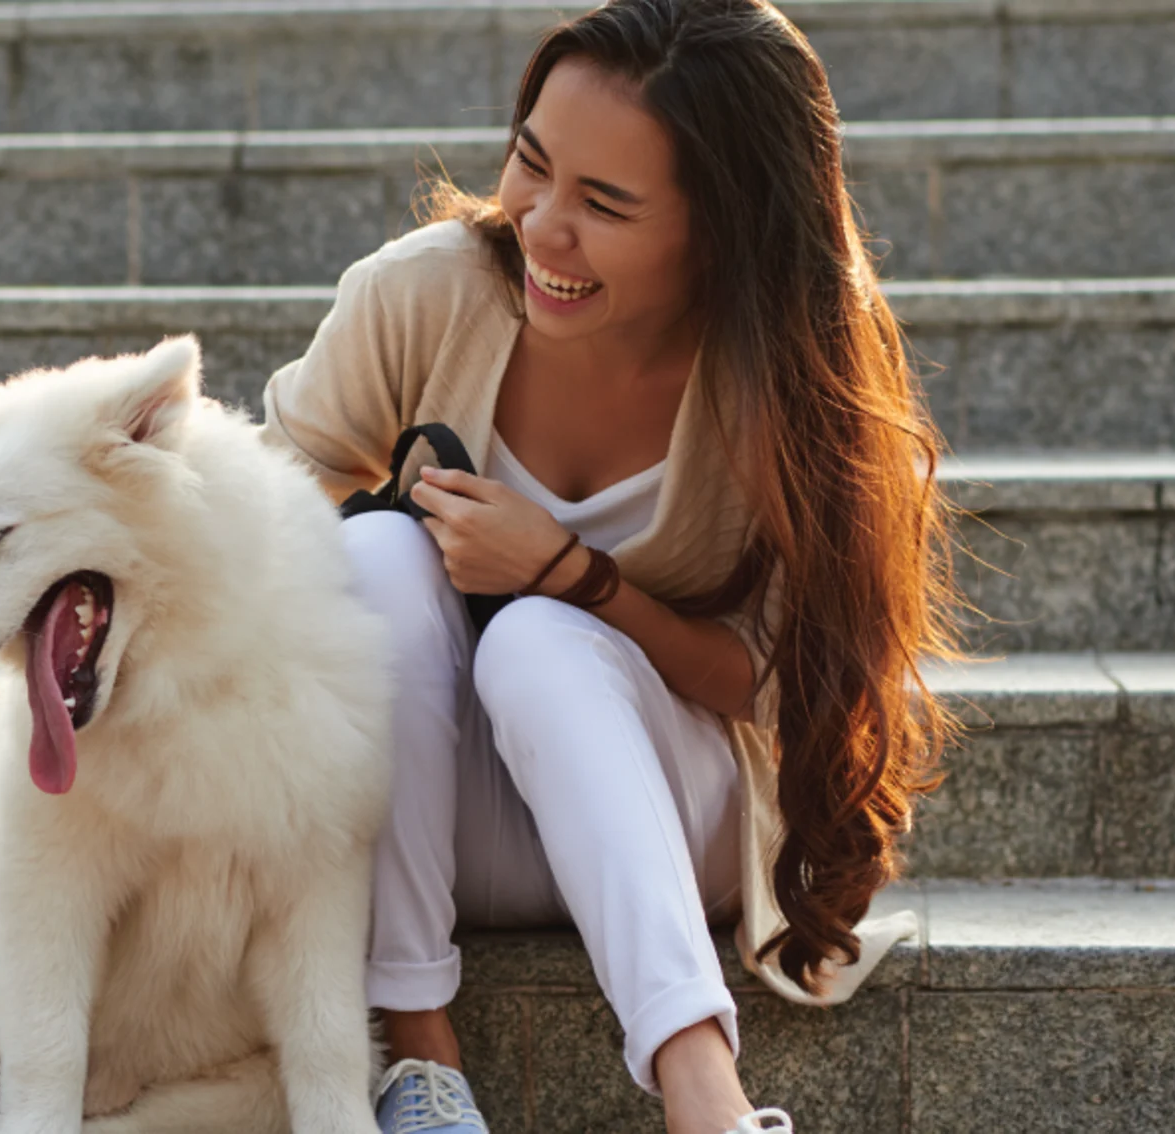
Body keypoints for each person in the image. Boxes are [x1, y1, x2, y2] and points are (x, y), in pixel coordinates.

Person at [259, 1, 959, 1132]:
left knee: (542, 637)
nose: (542, 225)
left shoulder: (792, 381)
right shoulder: (425, 295)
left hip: (670, 817)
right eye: (533, 163)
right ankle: (420, 1065)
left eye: (607, 204)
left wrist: (578, 579)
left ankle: (705, 1096)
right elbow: (254, 512)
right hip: (428, 823)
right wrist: (409, 523)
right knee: (375, 552)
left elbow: (784, 683)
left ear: (720, 230)